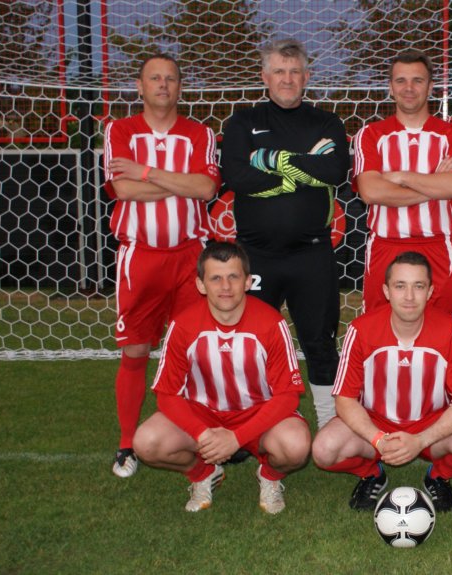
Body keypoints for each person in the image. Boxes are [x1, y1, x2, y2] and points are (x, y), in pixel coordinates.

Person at [220, 38, 350, 429]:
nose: (287, 79)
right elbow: (238, 176)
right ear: (265, 77)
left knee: (320, 343)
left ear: (307, 77)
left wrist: (269, 159)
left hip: (312, 254)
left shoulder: (327, 123)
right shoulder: (242, 122)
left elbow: (334, 171)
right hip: (255, 256)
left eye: (295, 72)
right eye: (279, 71)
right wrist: (301, 170)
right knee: (249, 343)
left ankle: (329, 428)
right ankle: (249, 426)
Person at [103, 54, 221, 478]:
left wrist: (146, 172)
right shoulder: (120, 130)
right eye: (154, 78)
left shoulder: (199, 133)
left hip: (191, 256)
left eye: (170, 78)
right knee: (136, 349)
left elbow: (205, 188)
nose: (163, 85)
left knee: (196, 350)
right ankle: (126, 443)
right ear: (140, 86)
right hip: (141, 256)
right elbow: (122, 189)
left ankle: (204, 433)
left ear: (180, 87)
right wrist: (177, 182)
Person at [132, 242, 312, 514]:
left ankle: (270, 476)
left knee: (296, 445)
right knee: (147, 442)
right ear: (201, 285)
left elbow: (288, 396)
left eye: (233, 277)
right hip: (203, 414)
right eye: (215, 278)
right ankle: (204, 474)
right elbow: (167, 394)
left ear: (248, 282)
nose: (225, 286)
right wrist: (202, 433)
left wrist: (236, 438)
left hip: (257, 415)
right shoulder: (183, 324)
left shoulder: (271, 323)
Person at [312, 252, 452, 513]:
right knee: (324, 450)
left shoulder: (450, 330)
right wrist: (378, 439)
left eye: (418, 286)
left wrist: (420, 440)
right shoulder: (360, 329)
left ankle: (438, 476)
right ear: (386, 291)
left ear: (430, 291)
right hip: (375, 421)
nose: (409, 296)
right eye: (400, 286)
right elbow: (344, 399)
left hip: (431, 422)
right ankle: (372, 474)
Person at [352, 51, 452, 322]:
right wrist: (434, 183)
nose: (409, 88)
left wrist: (400, 176)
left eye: (417, 80)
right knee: (379, 332)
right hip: (385, 246)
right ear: (390, 88)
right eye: (401, 81)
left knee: (444, 332)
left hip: (438, 247)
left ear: (430, 87)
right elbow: (371, 192)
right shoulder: (370, 135)